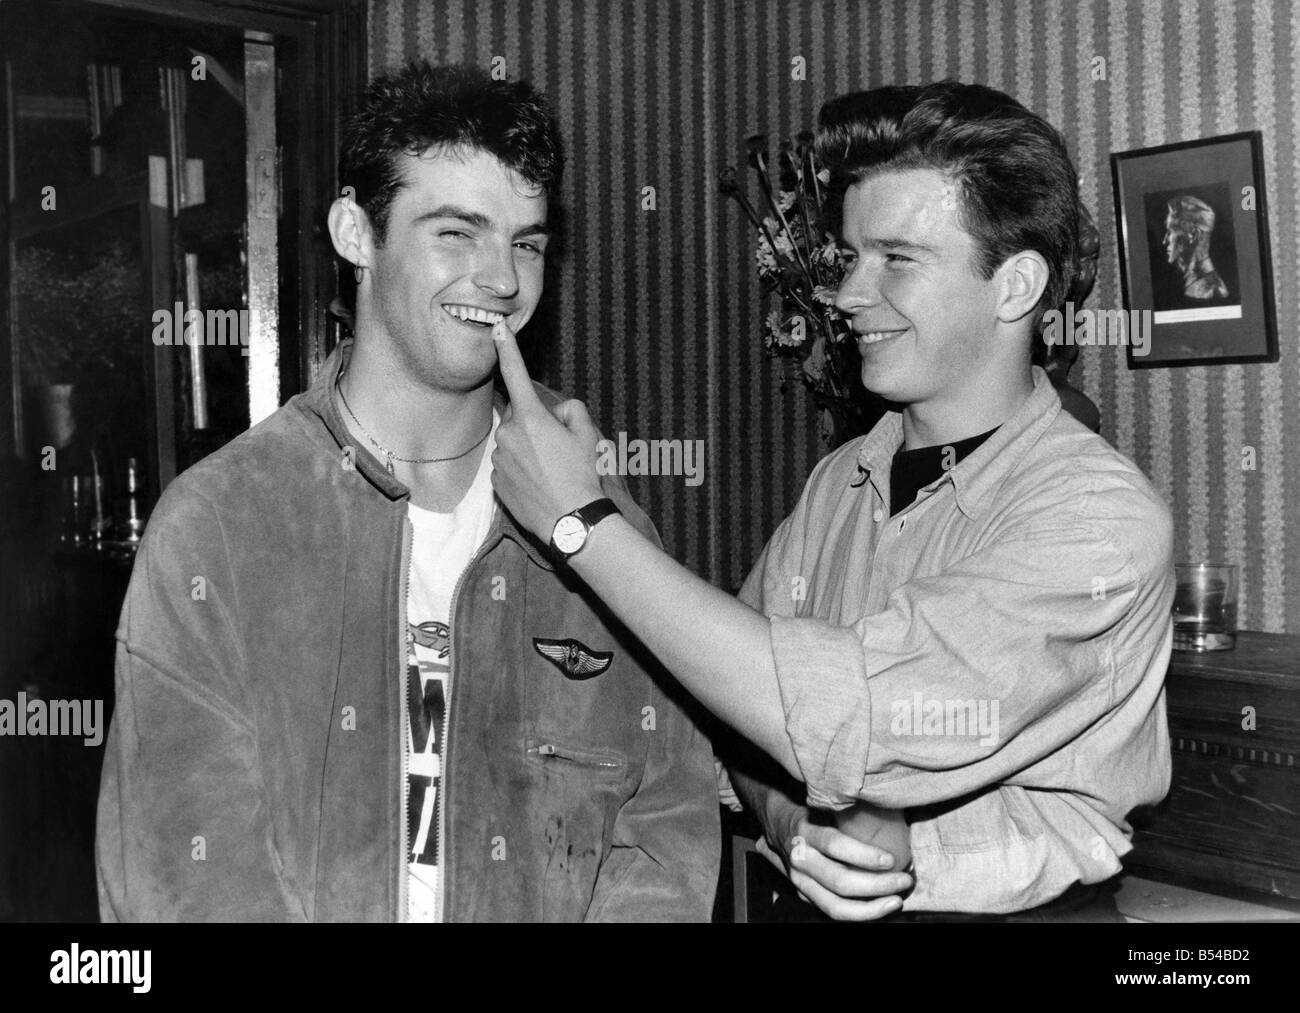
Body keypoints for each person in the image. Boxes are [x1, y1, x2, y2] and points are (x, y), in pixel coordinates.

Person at [487, 80, 1174, 921]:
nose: (847, 295)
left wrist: (582, 523)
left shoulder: (1100, 520)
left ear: (1016, 286)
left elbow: (856, 720)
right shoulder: (843, 478)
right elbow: (733, 705)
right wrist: (787, 819)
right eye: (850, 256)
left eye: (897, 259)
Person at [95, 60, 719, 922]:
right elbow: (178, 871)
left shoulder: (600, 527)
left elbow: (665, 829)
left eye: (527, 242)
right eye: (456, 234)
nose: (503, 280)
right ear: (357, 232)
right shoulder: (220, 526)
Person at [1162, 195, 1229, 301]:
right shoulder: (1189, 282)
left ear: (1193, 235)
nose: (1164, 241)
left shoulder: (1213, 291)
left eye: (1170, 231)